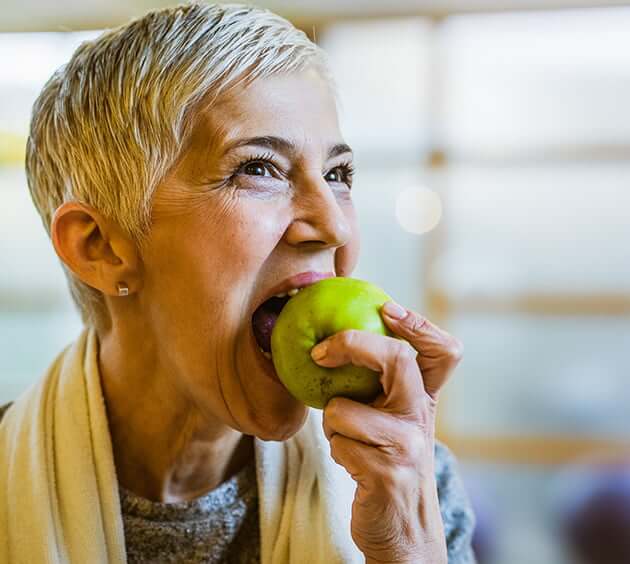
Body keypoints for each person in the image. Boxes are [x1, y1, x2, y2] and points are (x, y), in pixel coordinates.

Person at [0, 3, 475, 563]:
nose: (336, 225)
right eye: (258, 168)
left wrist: (408, 545)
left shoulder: (406, 484)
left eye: (337, 175)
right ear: (98, 247)